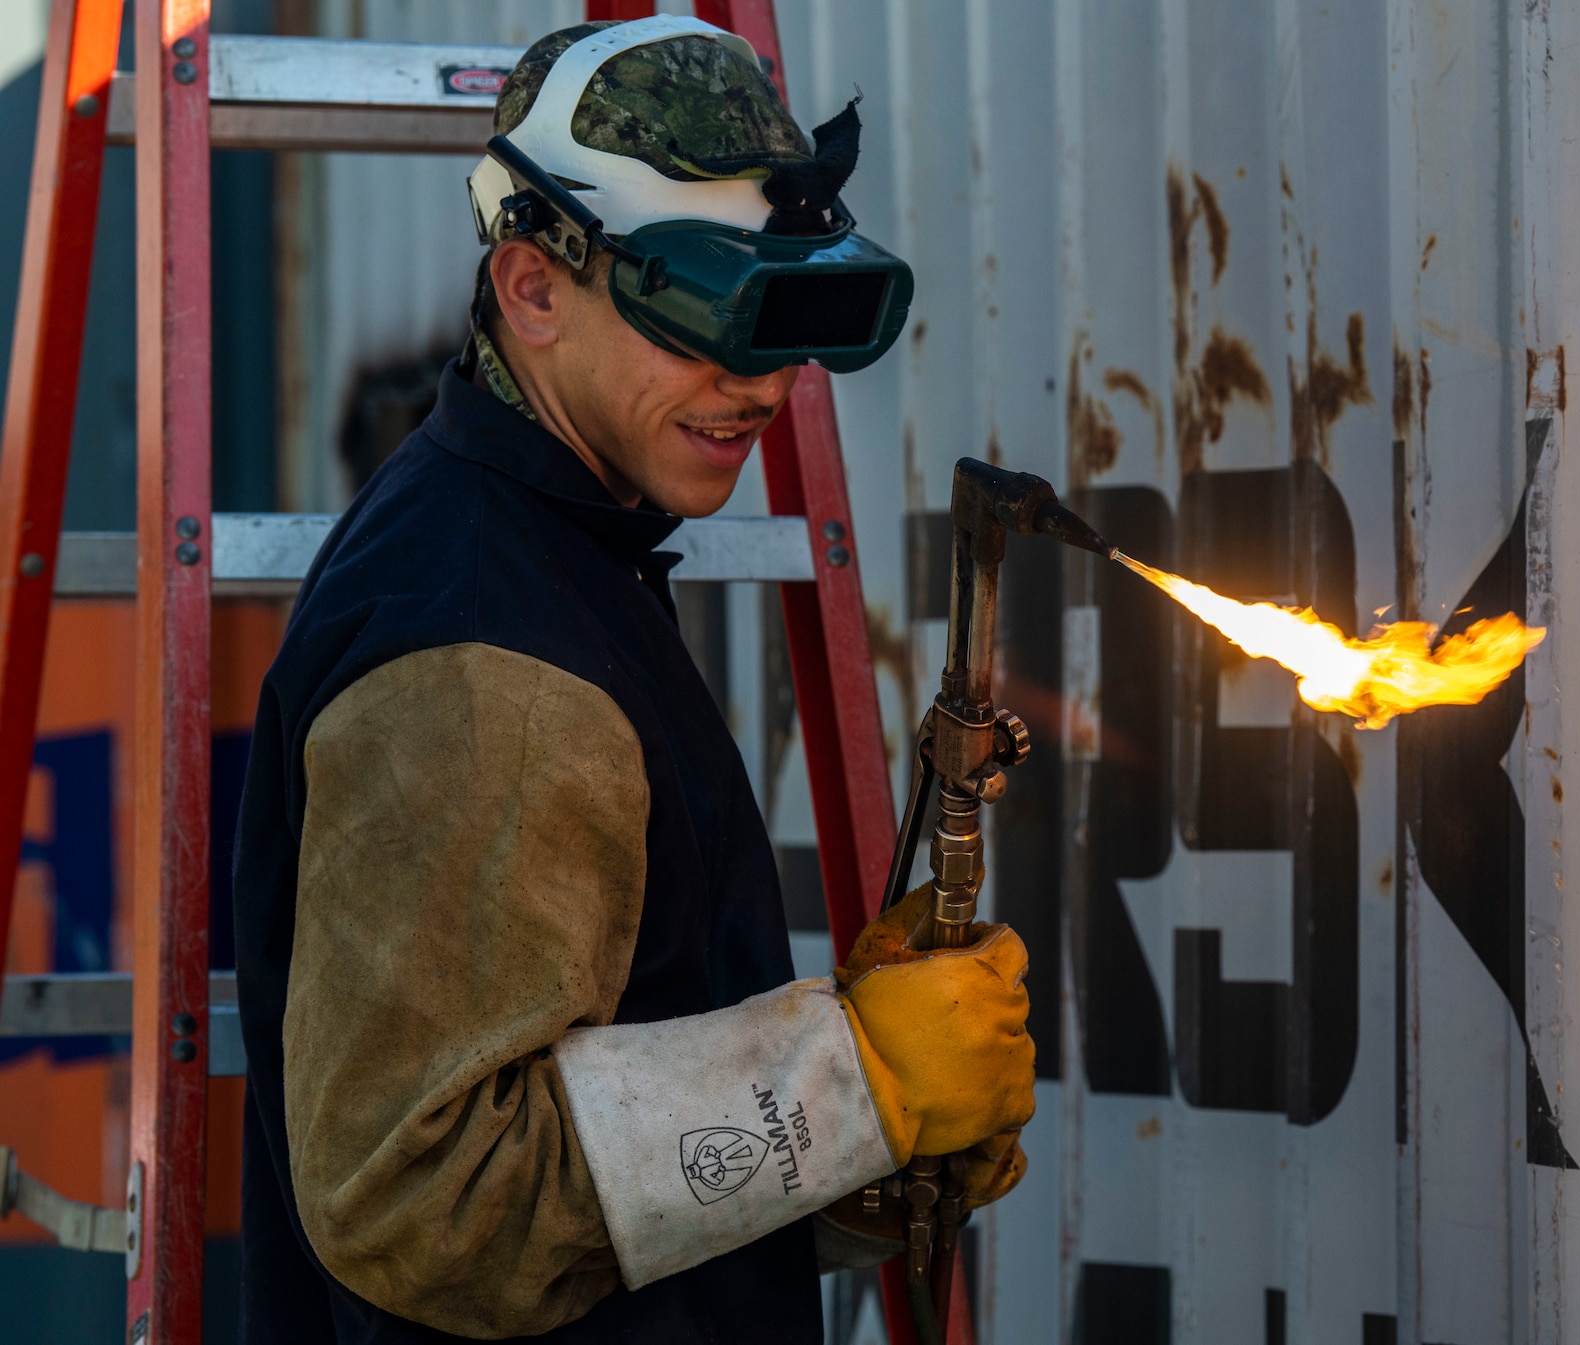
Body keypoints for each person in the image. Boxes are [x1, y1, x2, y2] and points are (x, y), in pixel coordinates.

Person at [230, 16, 1035, 1341]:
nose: (761, 387)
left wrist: (867, 1144)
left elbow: (603, 1134)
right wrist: (855, 1075)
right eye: (703, 315)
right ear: (535, 288)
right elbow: (421, 1198)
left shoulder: (567, 562)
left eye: (782, 323)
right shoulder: (482, 656)